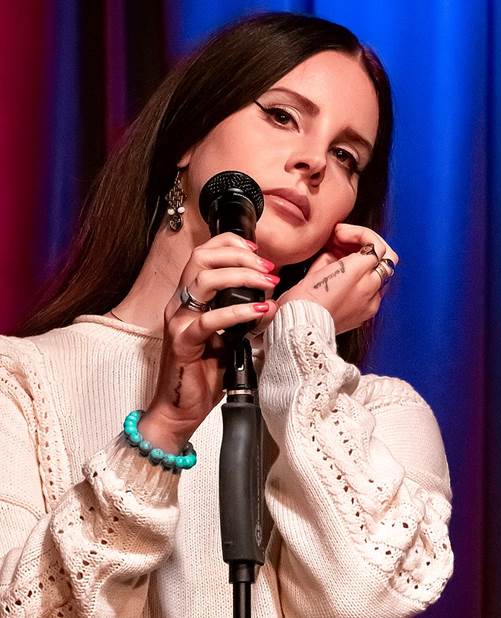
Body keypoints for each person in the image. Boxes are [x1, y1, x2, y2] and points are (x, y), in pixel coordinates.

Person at [0, 12, 453, 617]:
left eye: (346, 156)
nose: (314, 162)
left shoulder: (378, 415)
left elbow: (370, 597)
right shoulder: (20, 382)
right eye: (282, 115)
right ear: (189, 137)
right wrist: (160, 434)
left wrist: (300, 346)